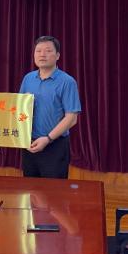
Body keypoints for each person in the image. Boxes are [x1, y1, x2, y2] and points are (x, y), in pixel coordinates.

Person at [19, 35, 81, 178]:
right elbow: (19, 109)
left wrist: (47, 139)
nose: (42, 54)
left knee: (54, 189)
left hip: (55, 145)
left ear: (57, 55)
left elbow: (72, 118)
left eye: (48, 51)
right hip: (29, 144)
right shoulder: (28, 79)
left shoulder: (67, 81)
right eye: (38, 51)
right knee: (29, 187)